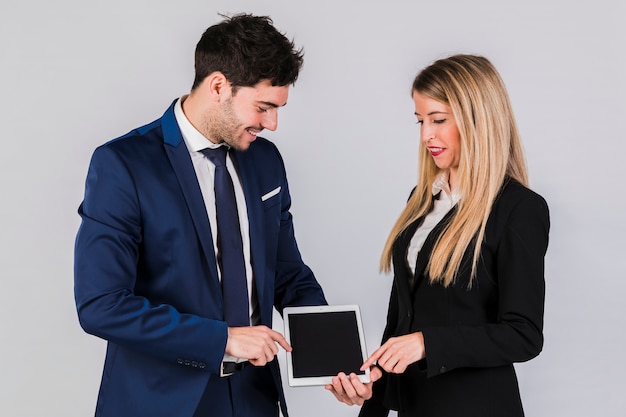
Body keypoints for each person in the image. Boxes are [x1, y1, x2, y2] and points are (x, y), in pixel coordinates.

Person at [74, 13, 327, 417]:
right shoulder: (123, 165)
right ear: (218, 86)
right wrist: (222, 339)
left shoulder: (265, 161)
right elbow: (102, 305)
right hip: (160, 401)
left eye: (278, 108)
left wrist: (333, 356)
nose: (273, 124)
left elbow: (287, 274)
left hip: (256, 397)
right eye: (263, 107)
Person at [326, 54, 550, 416]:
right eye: (420, 120)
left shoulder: (519, 209)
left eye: (438, 120)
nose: (425, 135)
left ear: (478, 119)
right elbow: (400, 322)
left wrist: (427, 343)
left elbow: (523, 334)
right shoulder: (421, 199)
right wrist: (370, 386)